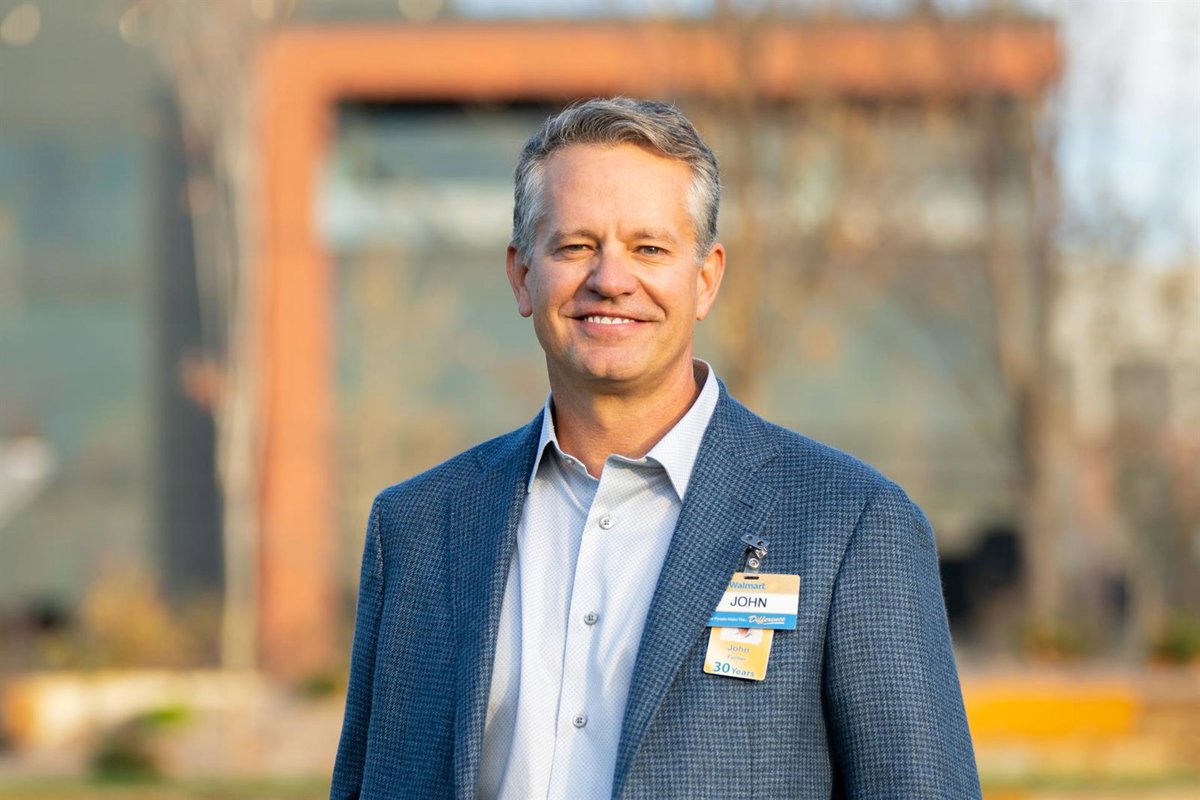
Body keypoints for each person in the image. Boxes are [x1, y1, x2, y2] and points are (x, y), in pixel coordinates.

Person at [330, 97, 981, 800]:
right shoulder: (417, 530)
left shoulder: (852, 527)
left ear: (705, 279)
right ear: (521, 275)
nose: (611, 279)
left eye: (649, 249)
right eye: (576, 246)